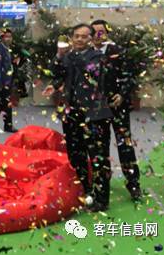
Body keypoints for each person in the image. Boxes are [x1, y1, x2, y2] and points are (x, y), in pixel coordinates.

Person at [43, 23, 113, 212]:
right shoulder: (68, 56)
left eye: (84, 36)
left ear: (91, 39)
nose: (79, 39)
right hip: (71, 113)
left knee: (98, 157)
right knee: (76, 155)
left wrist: (69, 56)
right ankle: (86, 191)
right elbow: (57, 73)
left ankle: (101, 199)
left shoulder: (97, 57)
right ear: (72, 37)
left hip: (94, 115)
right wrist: (59, 56)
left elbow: (89, 72)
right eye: (76, 36)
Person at [91, 19, 142, 202]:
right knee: (100, 147)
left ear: (107, 33)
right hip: (97, 109)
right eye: (94, 32)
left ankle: (133, 184)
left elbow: (130, 77)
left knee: (125, 146)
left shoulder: (119, 52)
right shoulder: (87, 54)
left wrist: (122, 94)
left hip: (118, 107)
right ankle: (103, 184)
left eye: (101, 32)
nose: (98, 36)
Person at [0, 28, 18, 133]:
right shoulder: (0, 50)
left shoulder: (7, 49)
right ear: (2, 38)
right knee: (4, 103)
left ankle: (7, 125)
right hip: (3, 82)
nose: (9, 39)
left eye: (10, 36)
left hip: (8, 80)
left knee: (5, 103)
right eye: (6, 36)